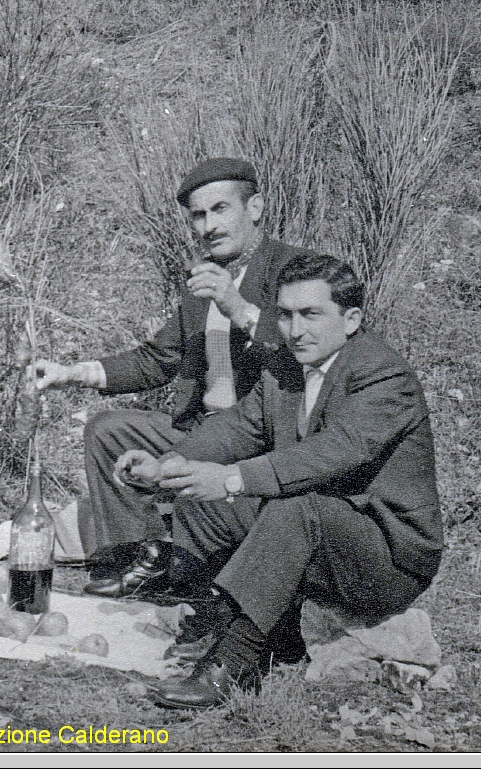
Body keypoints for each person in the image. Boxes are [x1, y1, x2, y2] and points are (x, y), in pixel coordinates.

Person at [116, 253, 442, 709]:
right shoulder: (286, 366)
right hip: (319, 535)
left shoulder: (383, 375)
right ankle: (228, 624)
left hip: (387, 557)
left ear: (351, 319)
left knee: (292, 504)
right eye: (285, 315)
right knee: (200, 495)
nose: (295, 330)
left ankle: (233, 664)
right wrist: (168, 464)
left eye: (311, 314)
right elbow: (238, 428)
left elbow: (330, 454)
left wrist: (231, 479)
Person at [34, 158, 309, 597]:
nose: (209, 226)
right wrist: (75, 373)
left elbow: (308, 355)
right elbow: (158, 359)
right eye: (198, 216)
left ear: (254, 207)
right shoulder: (201, 280)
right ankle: (132, 563)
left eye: (220, 209)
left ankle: (184, 570)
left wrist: (237, 307)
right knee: (108, 431)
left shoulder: (295, 270)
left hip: (260, 440)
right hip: (202, 427)